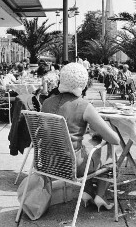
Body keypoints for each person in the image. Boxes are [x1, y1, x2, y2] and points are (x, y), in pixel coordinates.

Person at [42, 62, 120, 211]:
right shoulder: (84, 106)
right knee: (109, 149)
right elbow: (114, 139)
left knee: (87, 144)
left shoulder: (46, 103)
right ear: (83, 83)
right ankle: (101, 195)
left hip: (49, 162)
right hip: (72, 166)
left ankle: (88, 192)